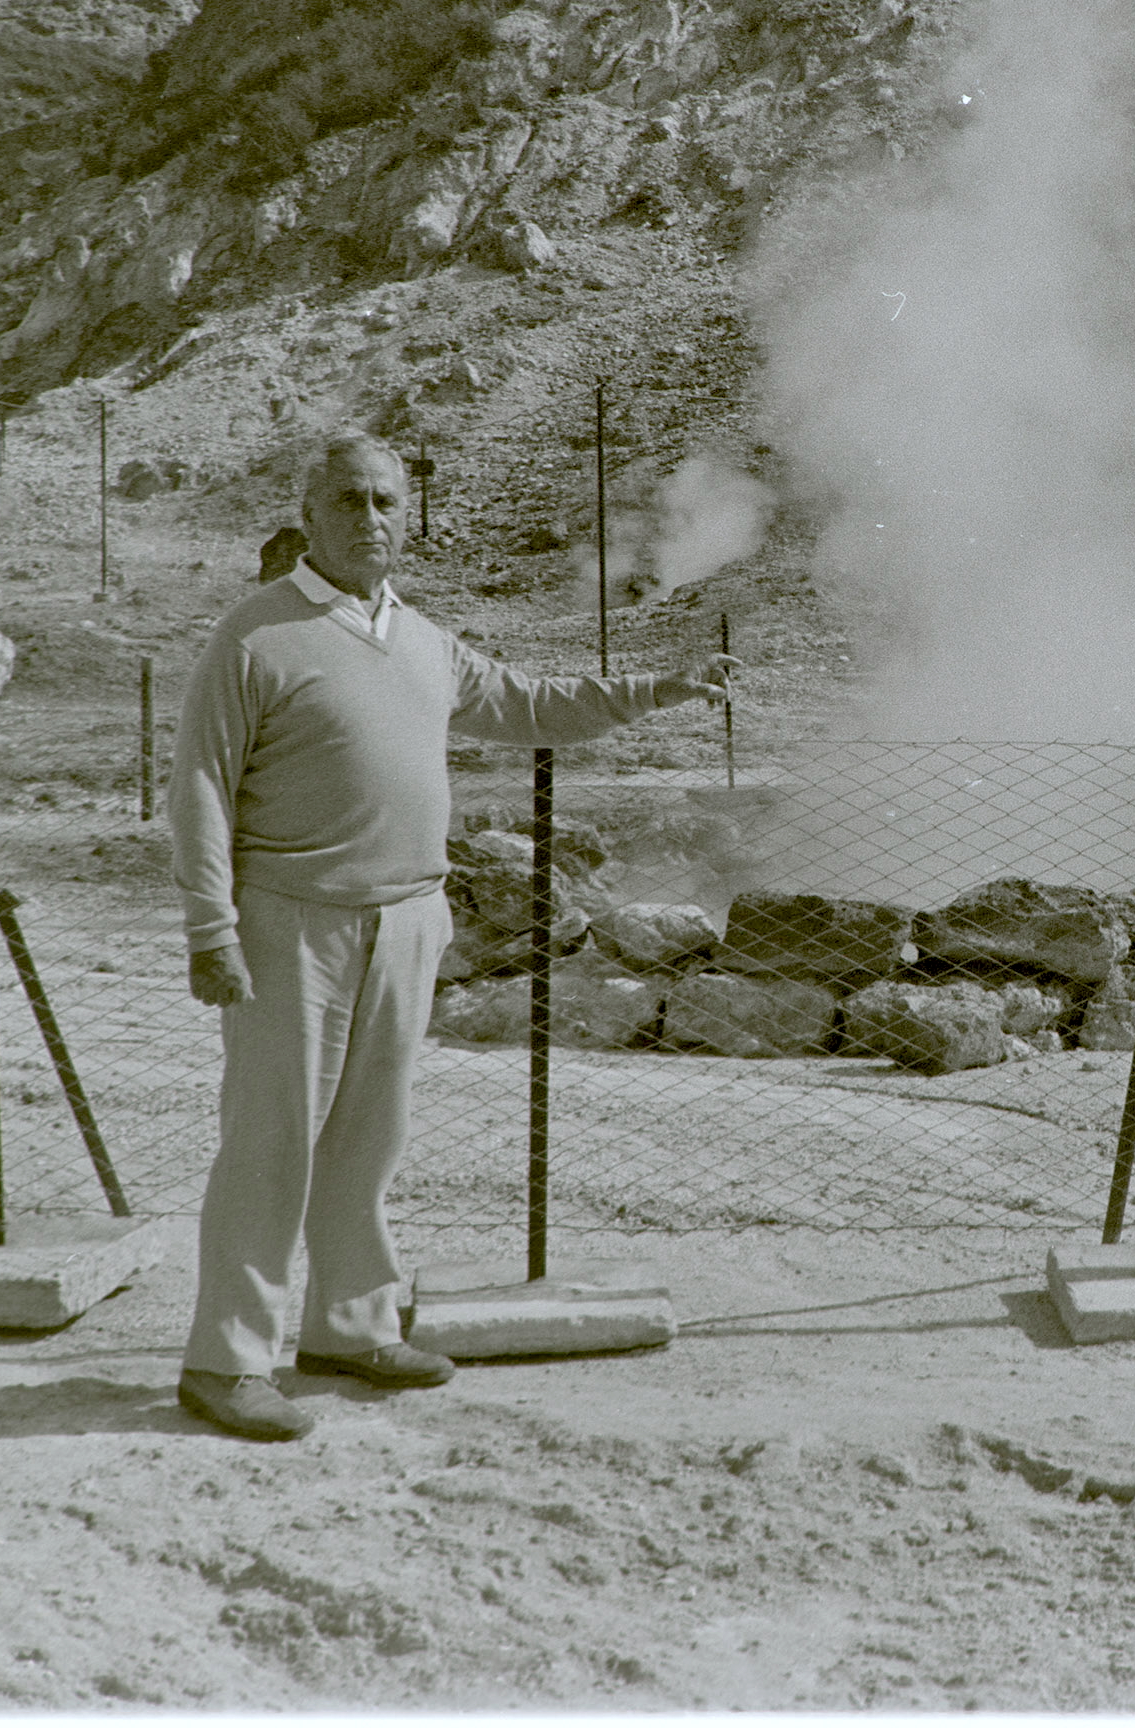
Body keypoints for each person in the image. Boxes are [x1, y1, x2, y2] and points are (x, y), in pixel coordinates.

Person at [169, 431, 733, 1441]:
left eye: (388, 498)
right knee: (271, 1145)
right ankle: (227, 1360)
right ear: (309, 513)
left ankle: (349, 1326)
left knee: (369, 1140)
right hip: (292, 921)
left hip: (410, 921)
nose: (371, 516)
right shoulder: (254, 634)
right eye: (349, 498)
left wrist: (657, 686)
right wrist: (212, 926)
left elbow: (525, 703)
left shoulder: (422, 639)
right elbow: (202, 783)